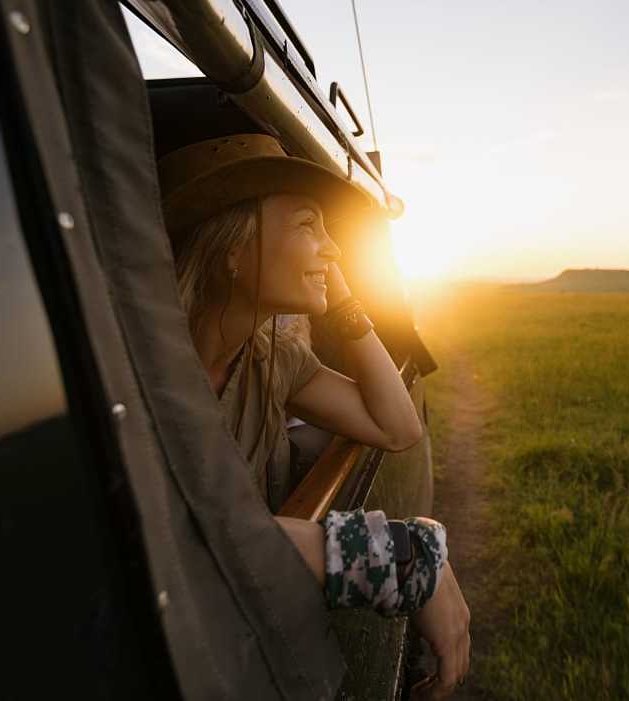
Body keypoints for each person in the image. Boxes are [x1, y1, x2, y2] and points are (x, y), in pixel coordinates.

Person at [159, 133, 470, 698]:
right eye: (308, 226)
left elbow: (397, 427)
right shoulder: (145, 370)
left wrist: (344, 298)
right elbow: (172, 533)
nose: (333, 249)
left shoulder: (271, 358)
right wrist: (402, 556)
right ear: (235, 251)